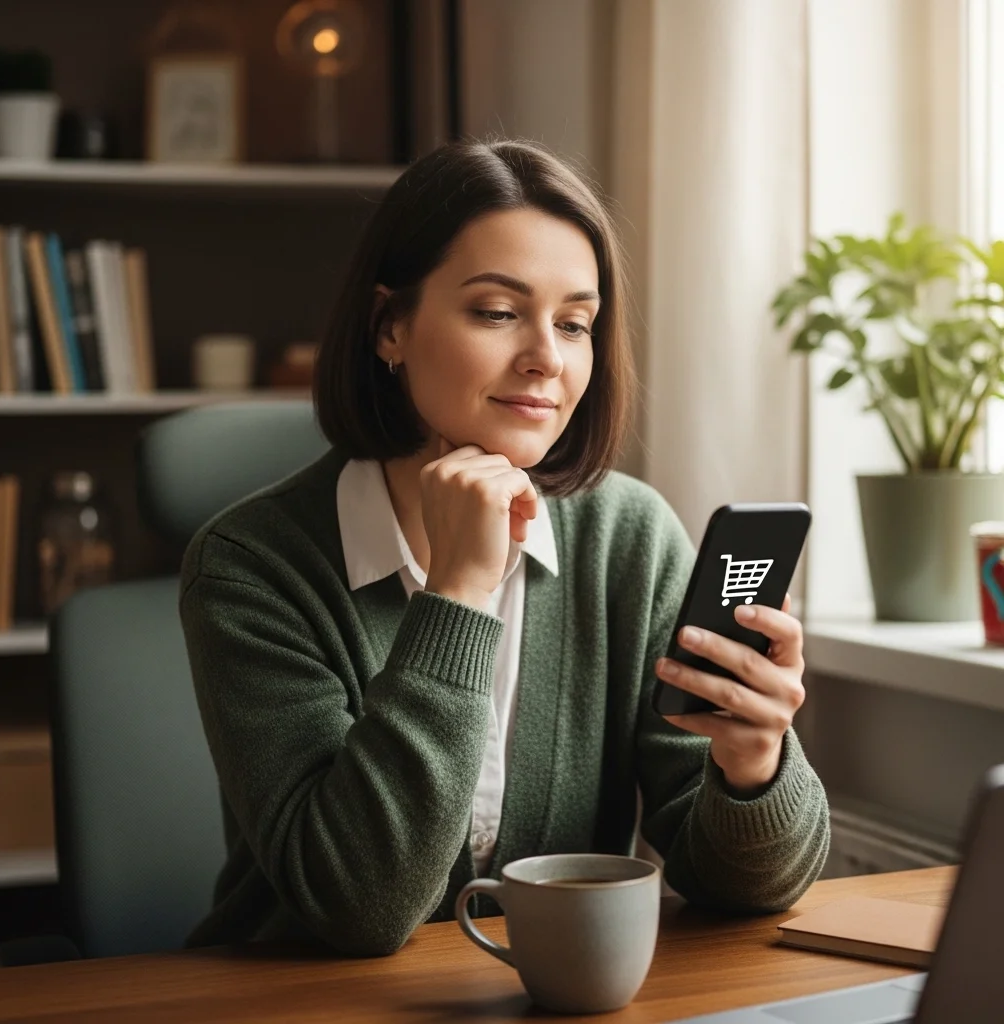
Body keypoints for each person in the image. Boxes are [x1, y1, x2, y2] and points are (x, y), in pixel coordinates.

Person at [179, 138, 830, 957]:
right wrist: (457, 592)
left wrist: (752, 765)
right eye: (497, 312)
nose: (547, 360)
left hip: (545, 999)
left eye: (574, 323)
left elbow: (753, 889)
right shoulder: (250, 564)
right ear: (390, 327)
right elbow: (360, 906)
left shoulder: (628, 538)